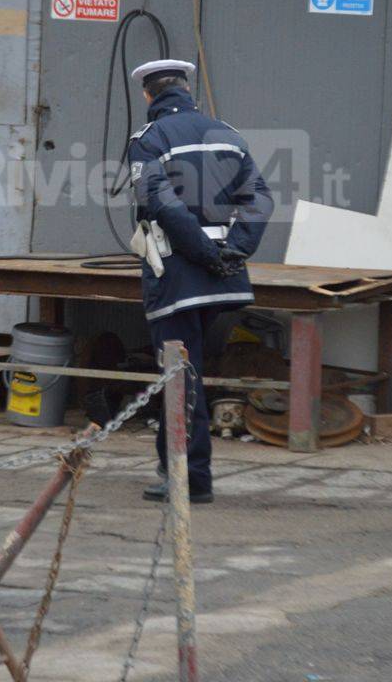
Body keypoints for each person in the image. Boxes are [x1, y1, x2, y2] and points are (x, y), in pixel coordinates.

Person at [128, 58, 274, 503]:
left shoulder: (148, 140)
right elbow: (261, 198)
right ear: (187, 90)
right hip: (224, 279)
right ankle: (176, 467)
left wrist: (203, 254)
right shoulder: (228, 135)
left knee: (179, 376)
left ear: (149, 95)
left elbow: (162, 206)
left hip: (177, 276)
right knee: (190, 373)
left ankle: (190, 478)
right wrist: (234, 250)